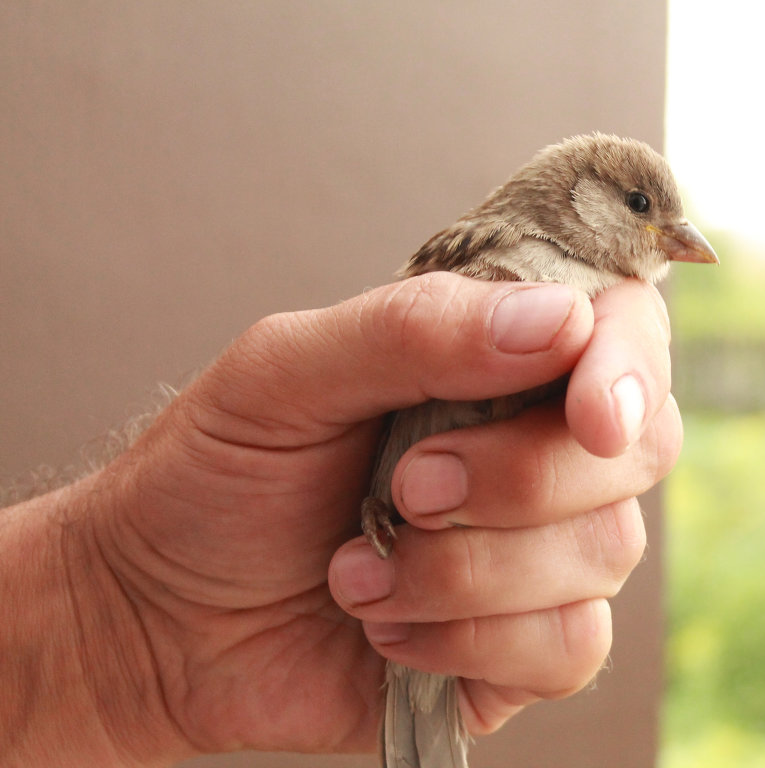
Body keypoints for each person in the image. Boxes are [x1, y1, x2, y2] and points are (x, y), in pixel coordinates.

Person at [0, 272, 681, 765]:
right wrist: (110, 603)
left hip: (395, 621)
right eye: (643, 209)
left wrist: (108, 620)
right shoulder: (483, 269)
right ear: (572, 197)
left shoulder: (590, 309)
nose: (676, 239)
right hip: (373, 558)